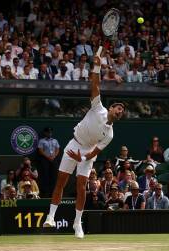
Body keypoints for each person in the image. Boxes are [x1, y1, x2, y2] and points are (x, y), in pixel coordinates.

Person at [43, 52, 125, 238]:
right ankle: (51, 217)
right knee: (61, 182)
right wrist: (96, 67)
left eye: (122, 111)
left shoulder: (110, 134)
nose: (119, 111)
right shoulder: (98, 107)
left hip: (87, 152)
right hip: (74, 144)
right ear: (111, 108)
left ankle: (77, 222)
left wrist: (83, 157)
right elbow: (95, 84)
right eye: (118, 108)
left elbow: (95, 151)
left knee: (81, 186)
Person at [37, 127, 60, 197]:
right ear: (45, 133)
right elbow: (40, 150)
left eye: (50, 132)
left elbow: (57, 149)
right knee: (45, 175)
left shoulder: (55, 140)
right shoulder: (41, 141)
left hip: (53, 159)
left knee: (54, 176)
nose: (49, 133)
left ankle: (53, 192)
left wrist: (54, 156)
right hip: (45, 160)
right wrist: (47, 157)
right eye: (48, 132)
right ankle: (46, 192)